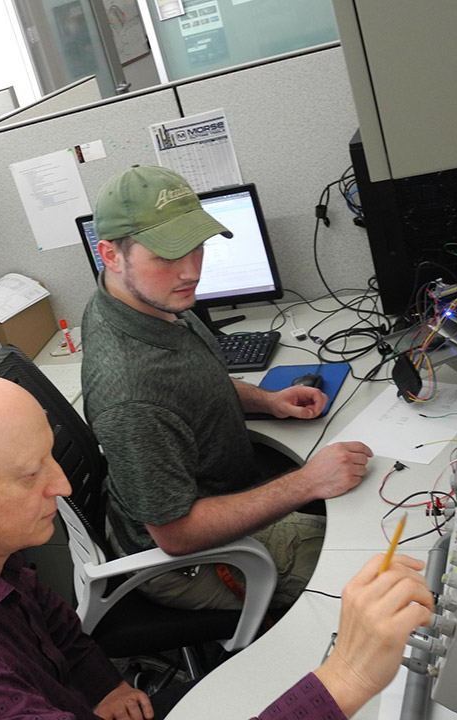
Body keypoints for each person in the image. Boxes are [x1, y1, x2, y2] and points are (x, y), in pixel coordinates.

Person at [0, 373, 434, 720]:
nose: (59, 485)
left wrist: (101, 684)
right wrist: (348, 678)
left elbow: (57, 628)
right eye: (31, 475)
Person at [81, 165, 374, 613]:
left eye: (195, 247)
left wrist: (267, 400)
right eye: (164, 255)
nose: (190, 271)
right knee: (372, 580)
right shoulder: (131, 393)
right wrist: (308, 482)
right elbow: (175, 534)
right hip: (193, 558)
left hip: (215, 492)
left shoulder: (142, 300)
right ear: (111, 255)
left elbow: (192, 381)